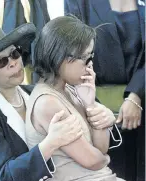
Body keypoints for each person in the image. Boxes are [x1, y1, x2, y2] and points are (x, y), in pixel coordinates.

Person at [0, 22, 84, 181]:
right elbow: (3, 176)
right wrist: (50, 143)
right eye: (0, 62)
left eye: (14, 53)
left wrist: (93, 109)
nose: (13, 63)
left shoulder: (34, 93)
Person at [26, 15, 124, 181]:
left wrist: (90, 104)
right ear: (59, 57)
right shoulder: (47, 103)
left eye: (91, 56)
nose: (90, 65)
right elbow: (93, 161)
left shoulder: (71, 90)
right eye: (86, 58)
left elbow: (101, 149)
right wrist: (104, 160)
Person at [64, 1, 145, 180]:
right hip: (95, 107)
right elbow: (72, 50)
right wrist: (91, 105)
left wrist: (136, 95)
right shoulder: (78, 2)